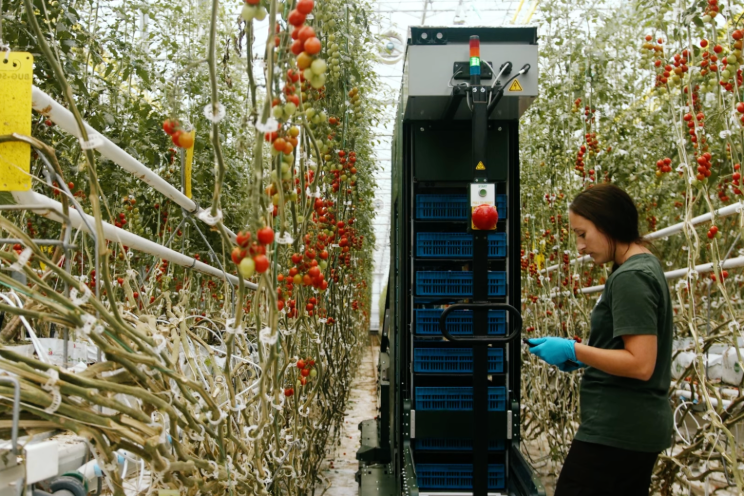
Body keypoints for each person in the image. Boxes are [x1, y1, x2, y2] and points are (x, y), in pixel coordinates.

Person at [527, 184, 673, 496]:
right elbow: (632, 351)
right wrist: (584, 357)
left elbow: (641, 364)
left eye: (583, 234)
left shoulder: (632, 277)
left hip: (619, 429)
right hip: (627, 428)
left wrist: (573, 348)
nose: (580, 246)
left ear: (607, 224)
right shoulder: (638, 268)